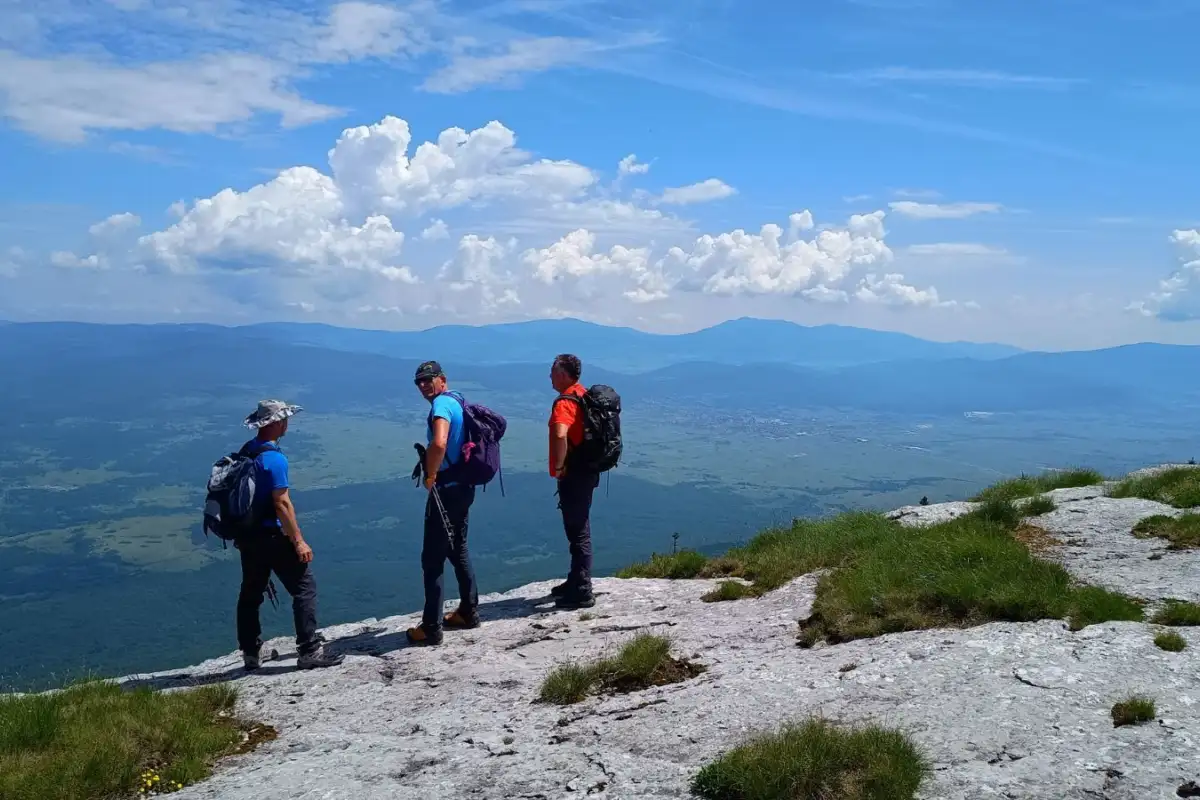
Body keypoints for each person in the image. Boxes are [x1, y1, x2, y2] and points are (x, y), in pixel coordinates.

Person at [237, 400, 344, 671]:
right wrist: (298, 541)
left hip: (248, 537)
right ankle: (309, 650)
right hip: (272, 535)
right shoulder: (274, 459)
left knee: (251, 593)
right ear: (276, 424)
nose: (287, 423)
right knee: (304, 588)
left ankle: (250, 653)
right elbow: (282, 502)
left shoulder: (247, 451)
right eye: (284, 419)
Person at [407, 361, 481, 646]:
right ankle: (468, 612)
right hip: (464, 487)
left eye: (429, 380)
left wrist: (432, 474)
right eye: (419, 382)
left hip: (446, 490)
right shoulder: (458, 400)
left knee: (432, 558)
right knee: (458, 546)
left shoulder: (441, 406)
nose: (424, 385)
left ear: (442, 380)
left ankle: (431, 628)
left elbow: (439, 443)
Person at [548, 353, 599, 609]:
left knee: (578, 531)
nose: (550, 376)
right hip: (588, 472)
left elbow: (560, 434)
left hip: (574, 473)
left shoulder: (565, 402)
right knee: (579, 527)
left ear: (563, 374)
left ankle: (581, 589)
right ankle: (575, 579)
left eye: (553, 372)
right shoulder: (583, 394)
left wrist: (559, 466)